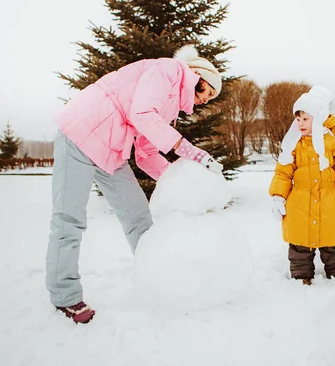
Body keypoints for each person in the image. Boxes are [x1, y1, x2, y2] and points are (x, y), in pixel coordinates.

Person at [46, 45, 223, 323]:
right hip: (80, 134)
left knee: (138, 216)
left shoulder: (170, 106)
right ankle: (65, 296)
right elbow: (142, 114)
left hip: (111, 150)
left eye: (210, 97)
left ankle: (157, 277)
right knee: (69, 220)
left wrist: (183, 178)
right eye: (206, 91)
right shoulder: (168, 70)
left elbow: (147, 154)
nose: (205, 100)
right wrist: (187, 149)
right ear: (196, 75)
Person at [269, 85, 335, 286]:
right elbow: (283, 173)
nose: (301, 123)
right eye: (298, 119)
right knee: (299, 247)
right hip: (299, 205)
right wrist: (278, 196)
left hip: (330, 204)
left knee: (333, 246)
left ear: (318, 118)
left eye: (306, 118)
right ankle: (301, 277)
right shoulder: (293, 146)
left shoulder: (333, 145)